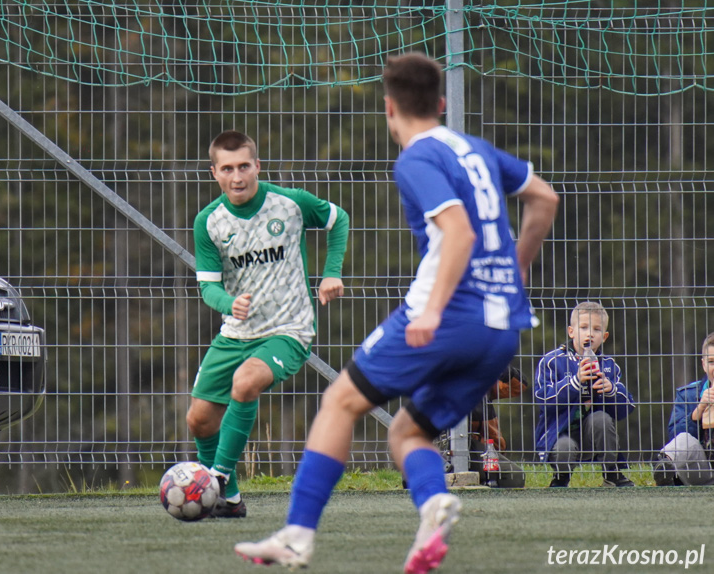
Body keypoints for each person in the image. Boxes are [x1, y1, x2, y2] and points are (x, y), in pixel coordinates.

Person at [234, 52, 558, 572]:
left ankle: (296, 536)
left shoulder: (416, 158)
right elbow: (543, 198)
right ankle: (433, 506)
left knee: (339, 402)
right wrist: (515, 274)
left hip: (450, 316)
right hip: (502, 329)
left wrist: (430, 312)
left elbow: (458, 233)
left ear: (389, 107)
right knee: (407, 432)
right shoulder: (473, 148)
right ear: (441, 102)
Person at [187, 130, 350, 518]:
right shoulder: (208, 223)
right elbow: (208, 289)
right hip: (236, 333)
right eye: (227, 169)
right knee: (199, 419)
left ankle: (216, 480)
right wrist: (229, 303)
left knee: (245, 383)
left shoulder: (290, 203)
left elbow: (338, 219)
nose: (238, 176)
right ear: (215, 173)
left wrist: (331, 272)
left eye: (244, 166)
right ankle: (230, 501)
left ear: (257, 166)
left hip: (288, 329)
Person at [533, 302, 635, 488]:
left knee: (601, 419)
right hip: (560, 433)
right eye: (584, 327)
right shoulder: (551, 362)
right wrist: (574, 382)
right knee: (565, 448)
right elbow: (543, 400)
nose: (590, 334)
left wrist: (611, 390)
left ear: (604, 337)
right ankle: (561, 478)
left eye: (596, 329)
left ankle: (611, 473)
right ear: (571, 332)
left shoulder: (609, 365)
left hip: (592, 434)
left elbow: (626, 408)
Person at [653, 332, 714, 486]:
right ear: (704, 364)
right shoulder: (688, 394)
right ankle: (665, 470)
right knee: (684, 440)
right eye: (712, 361)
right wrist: (698, 411)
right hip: (702, 471)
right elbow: (675, 435)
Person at [463, 366, 527, 488]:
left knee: (514, 477)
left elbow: (518, 387)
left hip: (481, 448)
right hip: (442, 449)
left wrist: (500, 368)